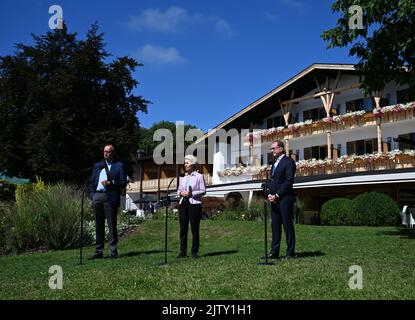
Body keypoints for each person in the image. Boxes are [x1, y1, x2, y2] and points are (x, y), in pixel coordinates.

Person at [88, 144, 127, 259]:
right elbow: (91, 182)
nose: (106, 153)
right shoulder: (97, 166)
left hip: (110, 196)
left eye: (108, 151)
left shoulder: (119, 165)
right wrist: (92, 195)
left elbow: (123, 182)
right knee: (99, 225)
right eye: (104, 151)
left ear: (113, 153)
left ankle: (113, 251)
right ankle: (98, 251)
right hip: (98, 196)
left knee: (111, 225)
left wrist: (112, 183)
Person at [266, 140, 297, 260]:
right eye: (271, 148)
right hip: (274, 200)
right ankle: (274, 252)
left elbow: (288, 181)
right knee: (275, 227)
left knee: (287, 226)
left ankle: (290, 253)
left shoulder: (289, 162)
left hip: (285, 199)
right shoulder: (274, 164)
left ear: (281, 149)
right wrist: (269, 194)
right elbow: (272, 181)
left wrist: (277, 195)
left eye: (273, 148)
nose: (272, 150)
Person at [176, 155, 206, 259]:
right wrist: (181, 193)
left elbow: (203, 190)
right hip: (183, 204)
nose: (185, 165)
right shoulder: (183, 177)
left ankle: (194, 252)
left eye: (187, 163)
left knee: (194, 229)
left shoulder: (199, 176)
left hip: (194, 204)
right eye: (185, 163)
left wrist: (191, 193)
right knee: (183, 229)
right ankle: (182, 252)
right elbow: (178, 190)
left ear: (193, 164)